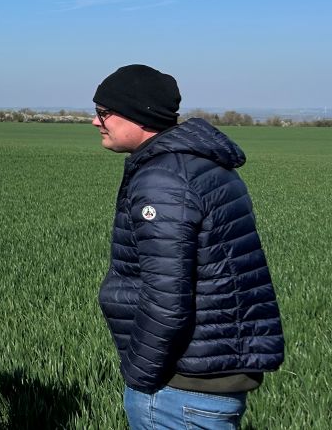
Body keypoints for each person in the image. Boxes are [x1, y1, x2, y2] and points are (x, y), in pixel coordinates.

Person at [93, 64, 284, 430]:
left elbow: (165, 297)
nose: (96, 122)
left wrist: (141, 375)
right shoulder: (201, 165)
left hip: (181, 388)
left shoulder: (163, 180)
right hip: (211, 375)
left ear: (139, 115)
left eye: (104, 113)